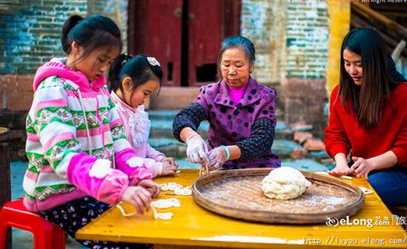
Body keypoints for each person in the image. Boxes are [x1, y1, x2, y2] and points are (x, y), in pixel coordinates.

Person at [23, 15, 160, 249]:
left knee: (149, 232)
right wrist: (118, 187)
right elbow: (63, 156)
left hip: (93, 190)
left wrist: (138, 176)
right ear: (77, 48)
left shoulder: (100, 94)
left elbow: (118, 142)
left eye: (109, 62)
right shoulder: (52, 91)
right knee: (129, 242)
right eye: (101, 60)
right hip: (58, 197)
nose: (105, 69)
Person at [324, 27, 407, 207]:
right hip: (361, 170)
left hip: (402, 173)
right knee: (326, 192)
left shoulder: (404, 95)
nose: (352, 70)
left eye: (359, 64)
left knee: (354, 198)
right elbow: (336, 135)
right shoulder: (340, 94)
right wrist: (340, 164)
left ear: (376, 62)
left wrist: (371, 164)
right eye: (347, 63)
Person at [172, 35, 280, 170]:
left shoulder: (264, 97)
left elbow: (262, 140)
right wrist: (192, 138)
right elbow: (184, 118)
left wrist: (226, 152)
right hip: (218, 166)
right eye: (226, 64)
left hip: (257, 166)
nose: (231, 71)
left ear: (251, 66)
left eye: (239, 65)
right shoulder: (210, 93)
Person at [107, 53, 178, 177]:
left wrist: (159, 158)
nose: (146, 100)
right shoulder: (111, 112)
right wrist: (155, 167)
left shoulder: (137, 110)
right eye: (145, 93)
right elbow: (119, 159)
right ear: (127, 83)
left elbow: (141, 146)